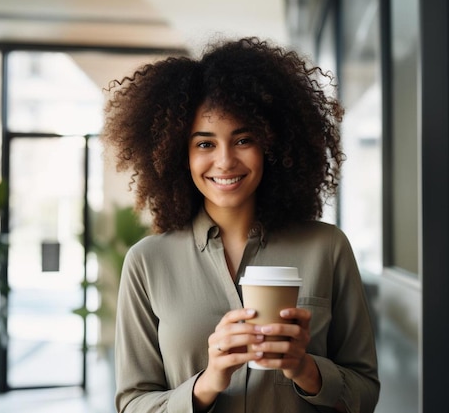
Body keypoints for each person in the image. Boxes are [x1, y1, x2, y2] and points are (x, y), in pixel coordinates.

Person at [102, 36, 380, 413]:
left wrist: (305, 368)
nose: (225, 161)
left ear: (271, 144)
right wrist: (208, 382)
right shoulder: (148, 262)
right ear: (178, 154)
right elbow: (133, 404)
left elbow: (366, 391)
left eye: (243, 139)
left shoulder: (326, 248)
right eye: (205, 144)